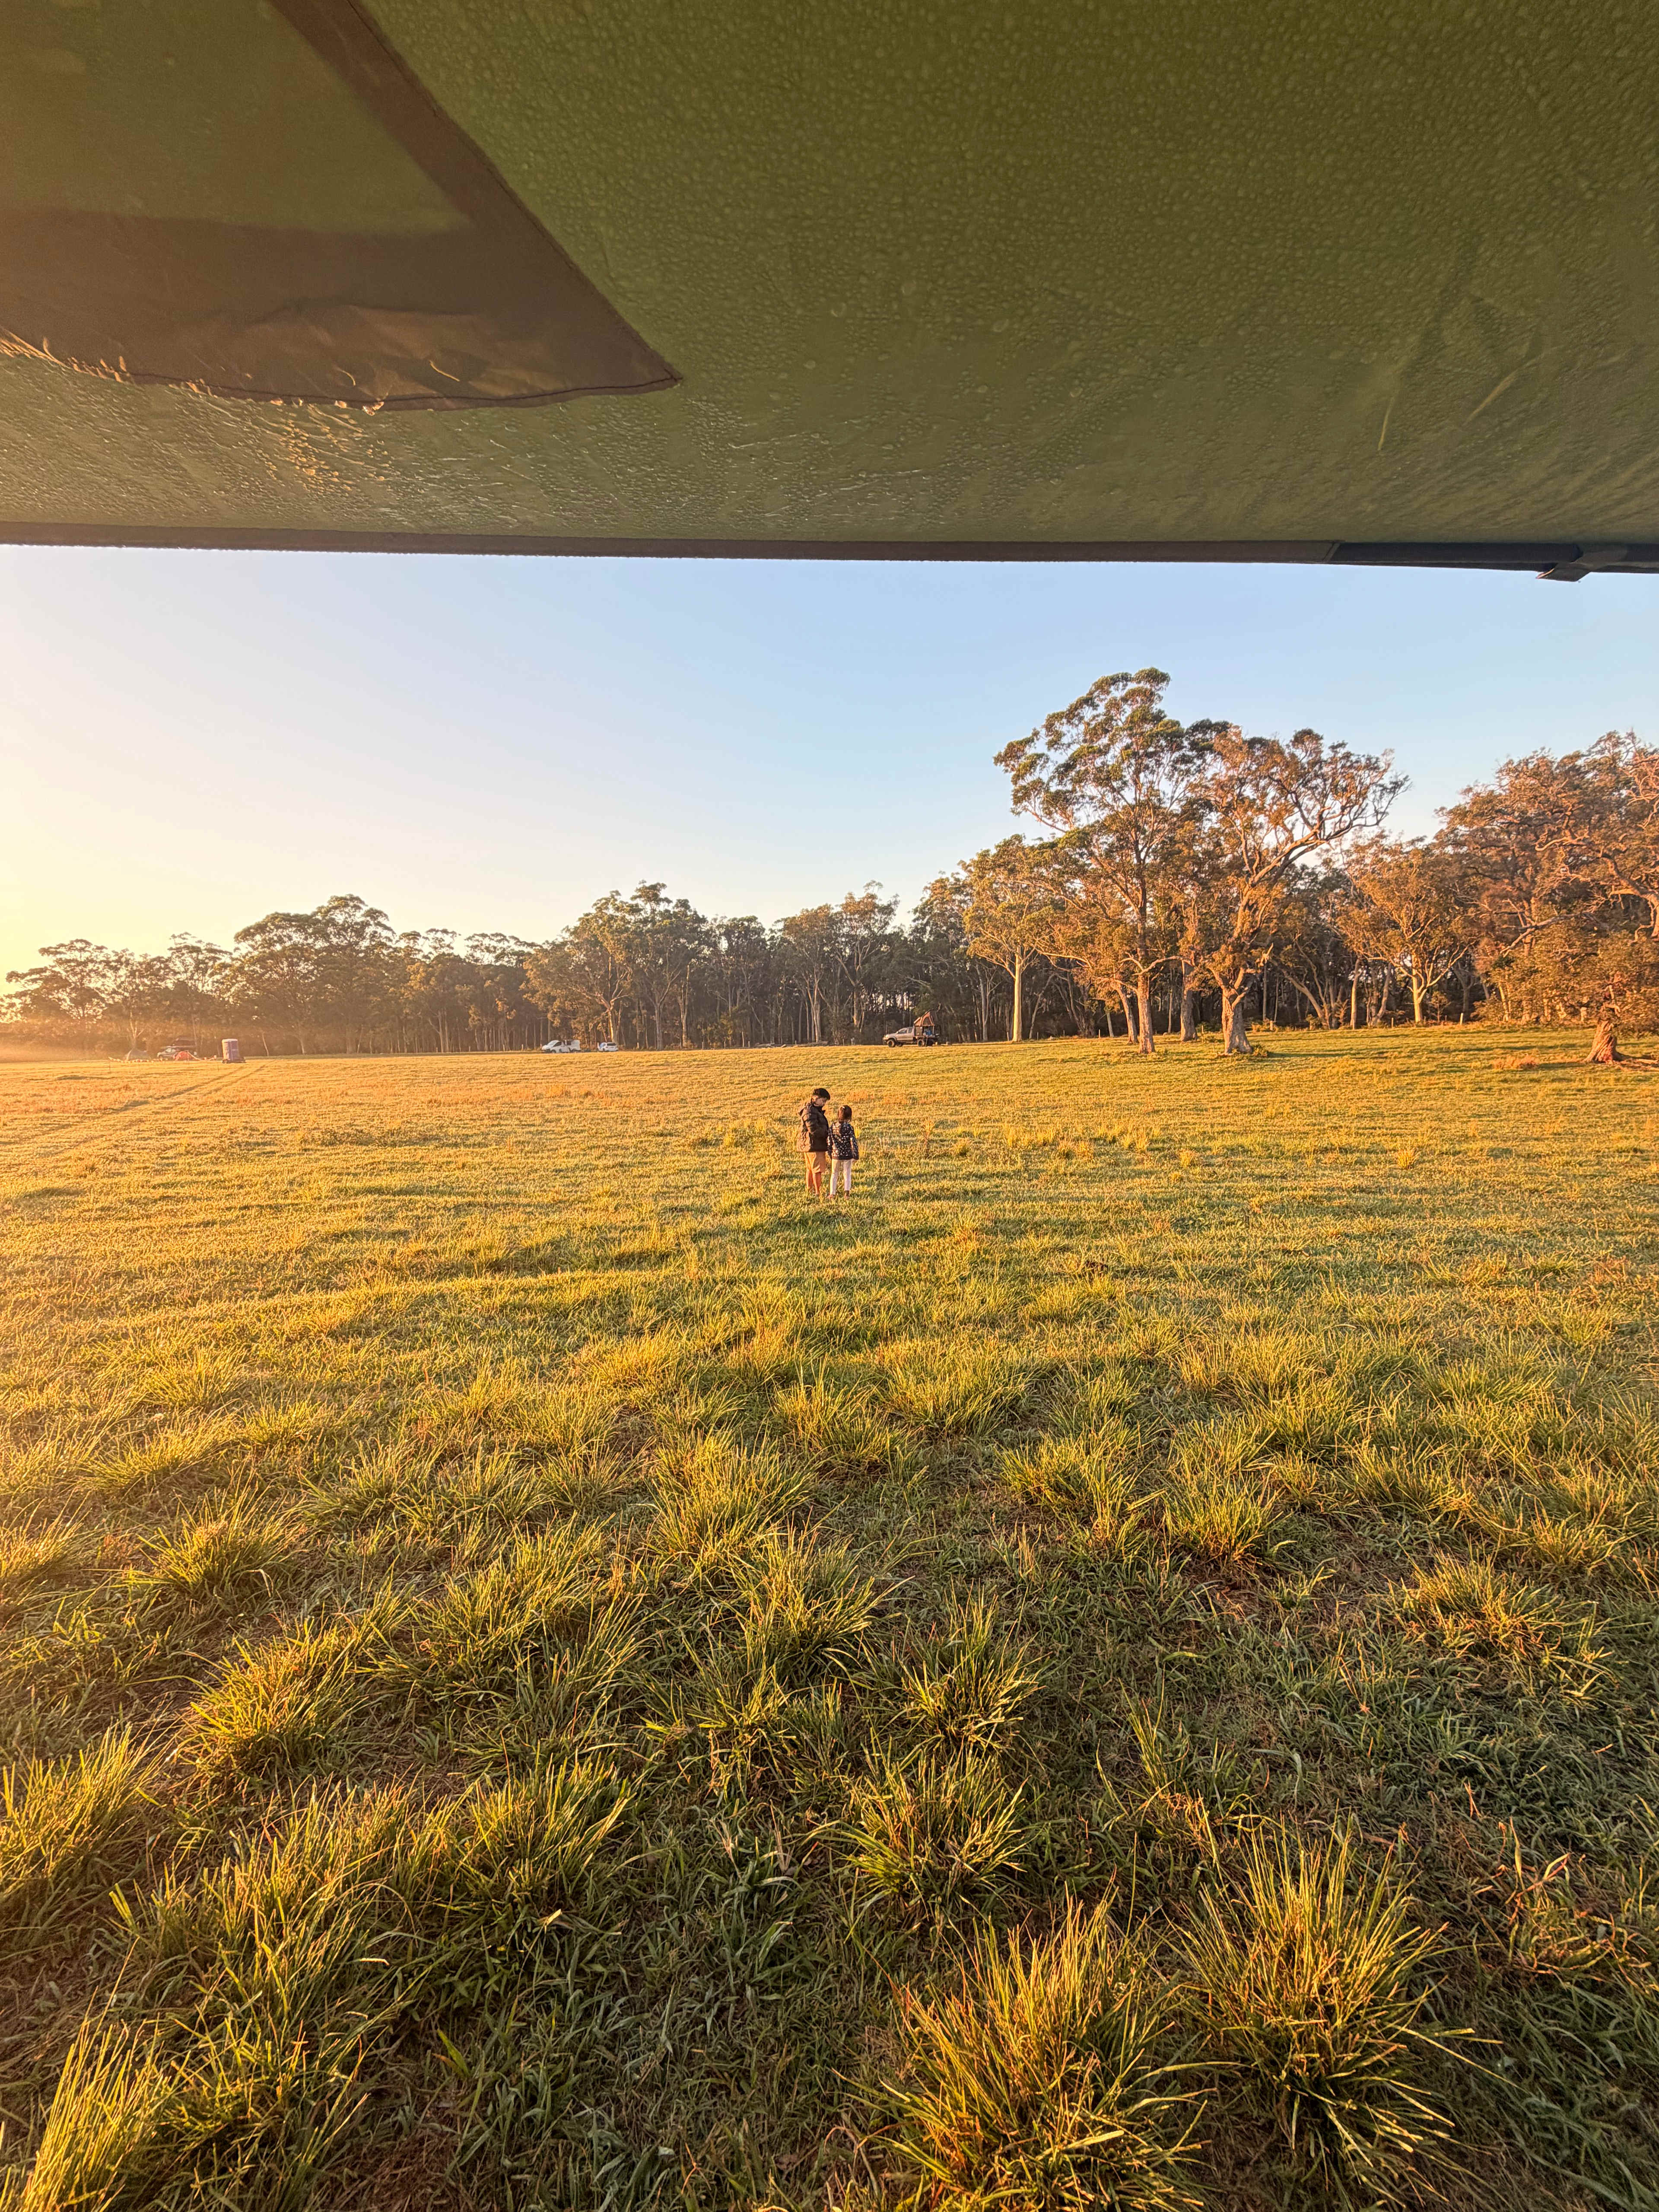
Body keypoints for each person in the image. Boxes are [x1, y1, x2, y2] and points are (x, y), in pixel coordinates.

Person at [799, 1086, 832, 1195]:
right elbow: (813, 1129)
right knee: (817, 1169)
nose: (824, 1103)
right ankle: (818, 1193)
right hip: (814, 1144)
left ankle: (810, 1190)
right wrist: (827, 1134)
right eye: (823, 1100)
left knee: (810, 1168)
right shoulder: (810, 1111)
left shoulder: (810, 1110)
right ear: (815, 1098)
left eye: (825, 1101)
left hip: (809, 1144)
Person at [828, 1103, 859, 1195]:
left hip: (836, 1155)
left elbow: (829, 1141)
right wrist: (855, 1155)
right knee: (847, 1173)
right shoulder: (849, 1128)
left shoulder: (833, 1127)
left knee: (834, 1174)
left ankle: (832, 1194)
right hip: (848, 1155)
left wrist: (830, 1153)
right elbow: (853, 1141)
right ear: (850, 1117)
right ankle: (847, 1193)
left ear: (838, 1115)